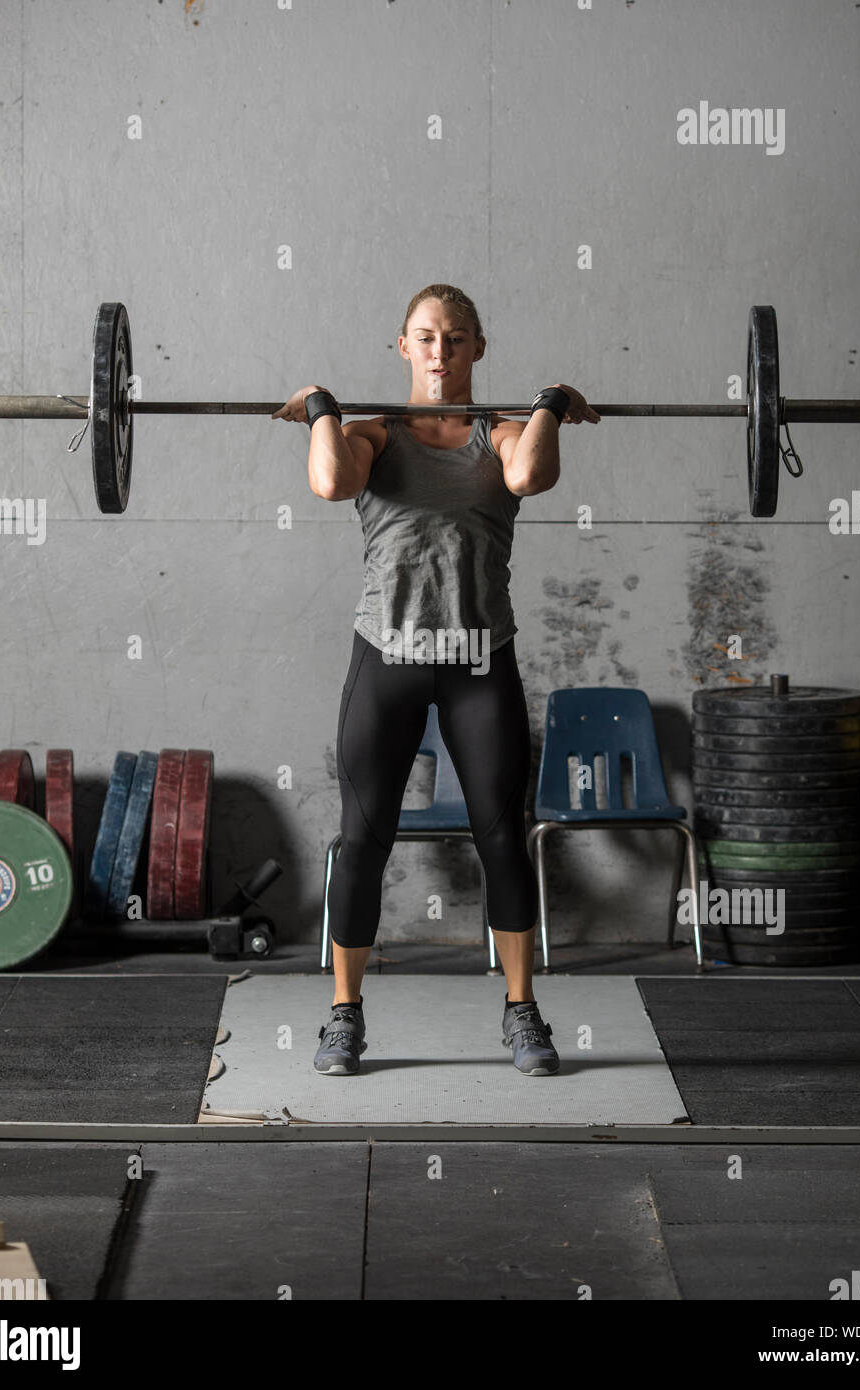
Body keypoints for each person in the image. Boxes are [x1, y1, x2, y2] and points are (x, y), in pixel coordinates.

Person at [274, 284, 599, 1077]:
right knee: (364, 839)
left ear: (478, 348)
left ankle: (522, 1011)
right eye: (425, 337)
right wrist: (321, 407)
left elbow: (531, 479)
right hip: (387, 657)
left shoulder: (506, 434)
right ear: (403, 347)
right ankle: (344, 1016)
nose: (440, 352)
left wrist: (551, 402)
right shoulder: (374, 435)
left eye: (455, 338)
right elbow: (328, 485)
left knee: (502, 835)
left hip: (481, 663)